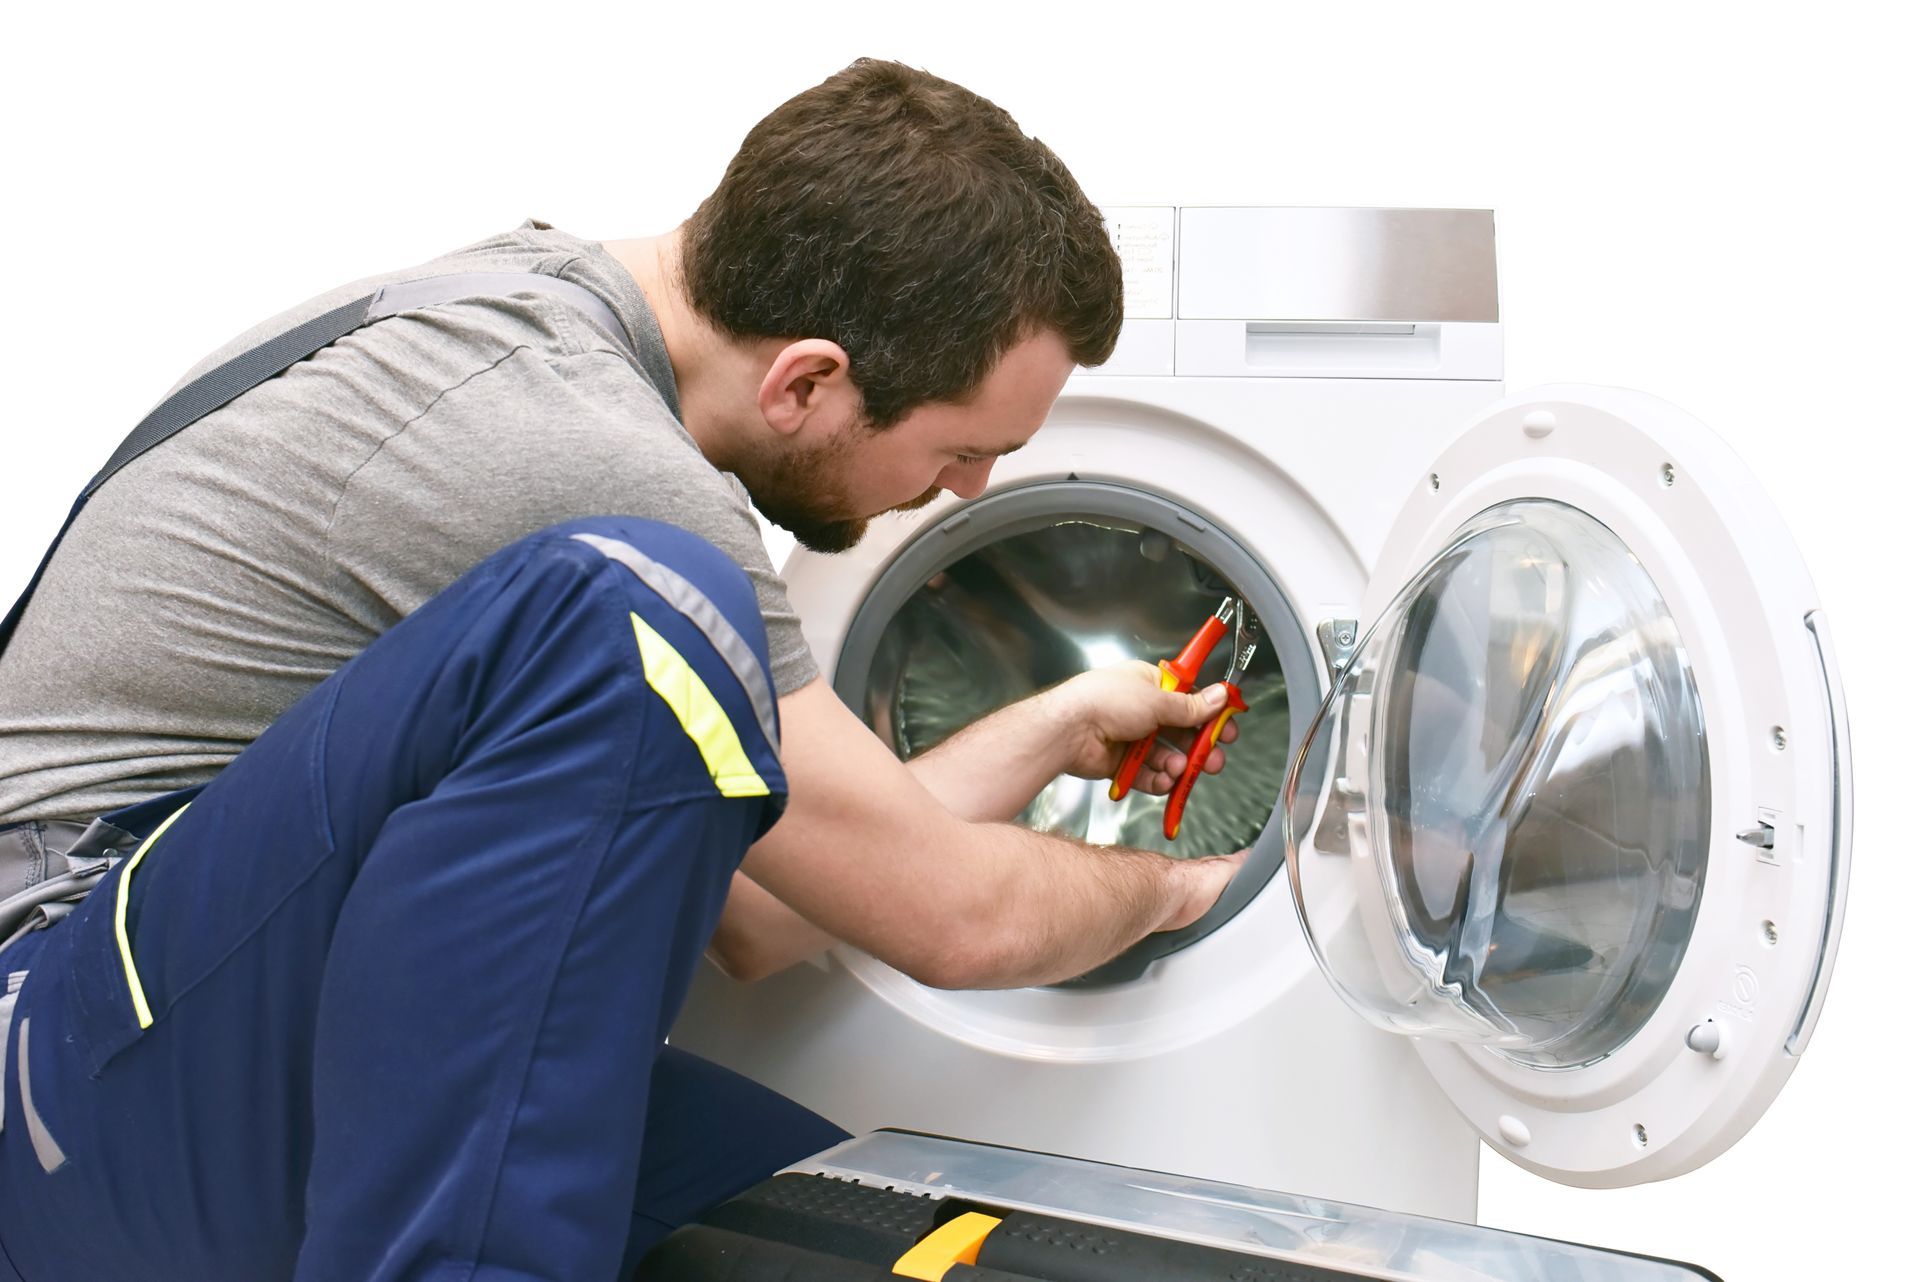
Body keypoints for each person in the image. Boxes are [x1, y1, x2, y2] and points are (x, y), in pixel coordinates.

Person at [0, 60, 1244, 1281]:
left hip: (202, 1035)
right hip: (60, 1071)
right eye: (964, 449)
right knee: (624, 604)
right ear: (807, 380)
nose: (969, 490)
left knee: (876, 1240)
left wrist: (1051, 724)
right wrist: (1189, 892)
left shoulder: (544, 302)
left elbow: (760, 915)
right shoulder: (586, 456)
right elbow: (954, 916)